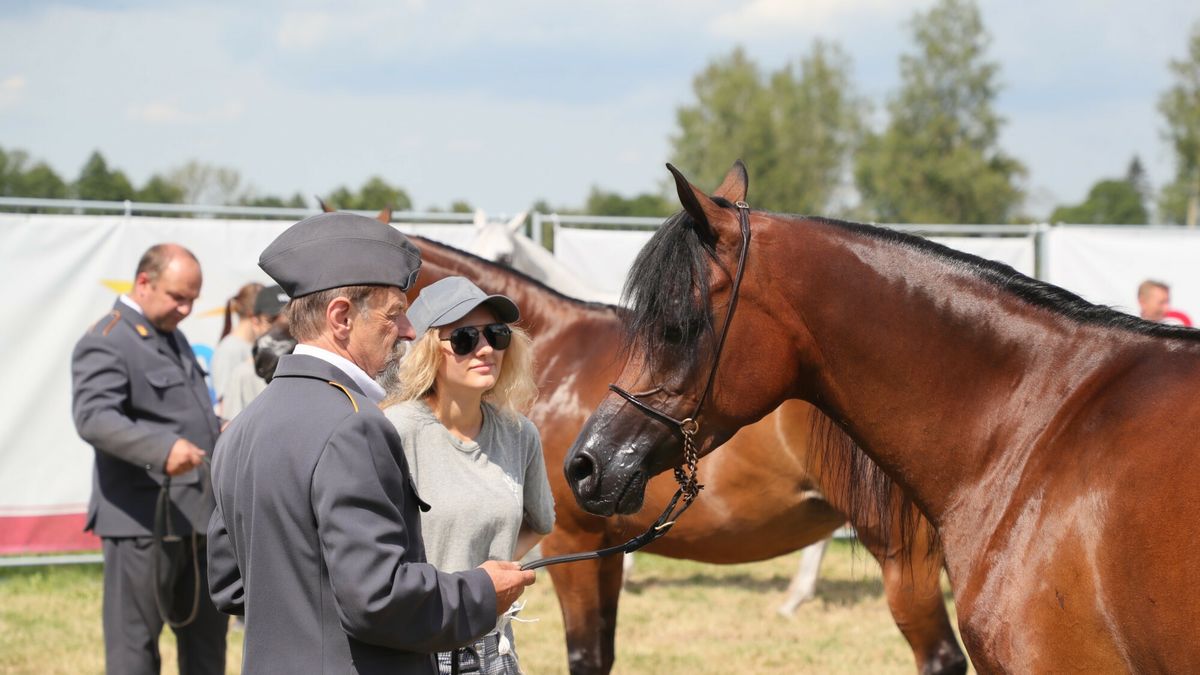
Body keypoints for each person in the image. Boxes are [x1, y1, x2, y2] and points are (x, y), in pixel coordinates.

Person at [207, 212, 536, 674]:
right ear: (341, 317)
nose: (406, 331)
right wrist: (481, 591)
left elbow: (231, 584)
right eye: (395, 314)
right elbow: (377, 598)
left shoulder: (243, 427)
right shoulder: (354, 426)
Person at [381, 276, 555, 675]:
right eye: (464, 338)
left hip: (493, 649)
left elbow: (541, 521)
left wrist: (488, 576)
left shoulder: (519, 433)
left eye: (496, 335)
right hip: (415, 649)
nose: (486, 349)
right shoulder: (394, 431)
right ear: (427, 350)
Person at [71, 243, 227, 675]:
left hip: (196, 520)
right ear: (143, 283)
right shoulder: (108, 339)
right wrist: (162, 451)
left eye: (193, 299)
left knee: (206, 650)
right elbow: (94, 418)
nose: (186, 308)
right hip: (142, 524)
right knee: (134, 654)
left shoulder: (170, 335)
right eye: (178, 296)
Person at [219, 284, 289, 419]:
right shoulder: (242, 373)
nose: (279, 329)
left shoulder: (307, 366)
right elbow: (230, 426)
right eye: (271, 320)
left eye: (287, 321)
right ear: (255, 322)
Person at [210, 281, 264, 414]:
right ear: (254, 316)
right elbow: (226, 404)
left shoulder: (252, 345)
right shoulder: (230, 349)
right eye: (271, 318)